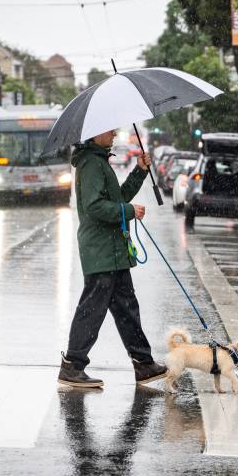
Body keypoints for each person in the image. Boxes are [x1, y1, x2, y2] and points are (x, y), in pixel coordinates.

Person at [58, 128, 167, 388]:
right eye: (109, 130)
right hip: (100, 249)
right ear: (95, 135)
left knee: (127, 308)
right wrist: (127, 211)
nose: (115, 133)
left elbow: (116, 198)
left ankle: (143, 364)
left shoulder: (99, 161)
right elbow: (94, 207)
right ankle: (72, 366)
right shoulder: (91, 164)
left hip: (112, 250)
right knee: (92, 309)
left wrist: (140, 171)